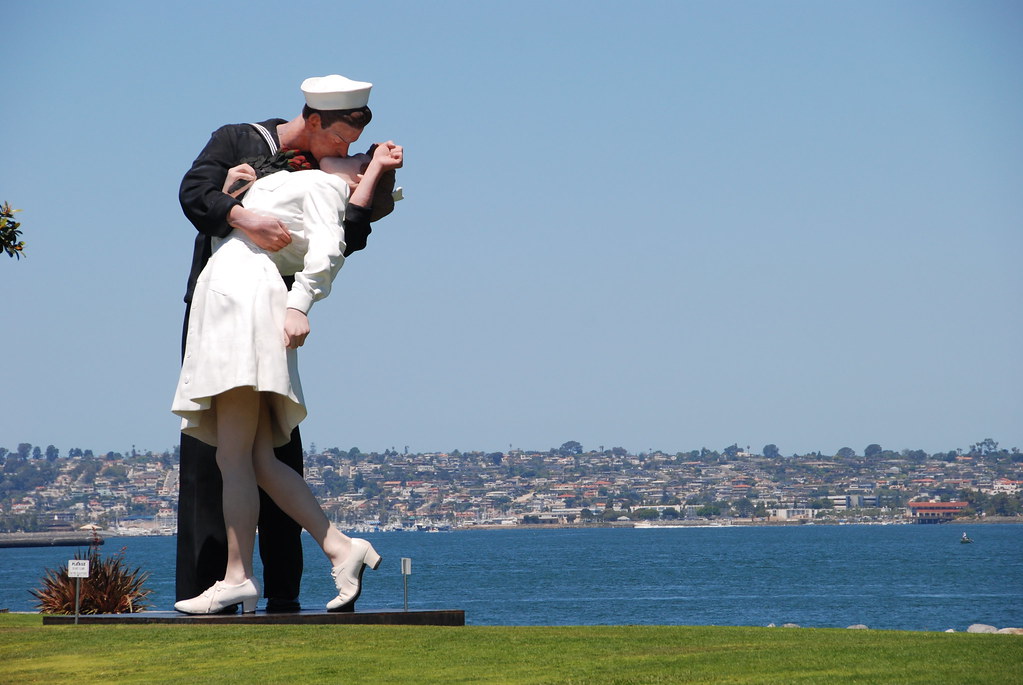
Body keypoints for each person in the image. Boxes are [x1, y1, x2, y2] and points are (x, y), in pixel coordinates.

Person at [175, 75, 393, 611]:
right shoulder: (246, 146)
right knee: (248, 458)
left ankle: (246, 578)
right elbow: (194, 194)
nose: (349, 154)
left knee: (238, 456)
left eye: (355, 156)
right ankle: (334, 549)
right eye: (344, 142)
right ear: (314, 121)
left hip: (245, 304)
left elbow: (344, 239)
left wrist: (299, 304)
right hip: (222, 304)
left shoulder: (321, 185)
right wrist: (237, 202)